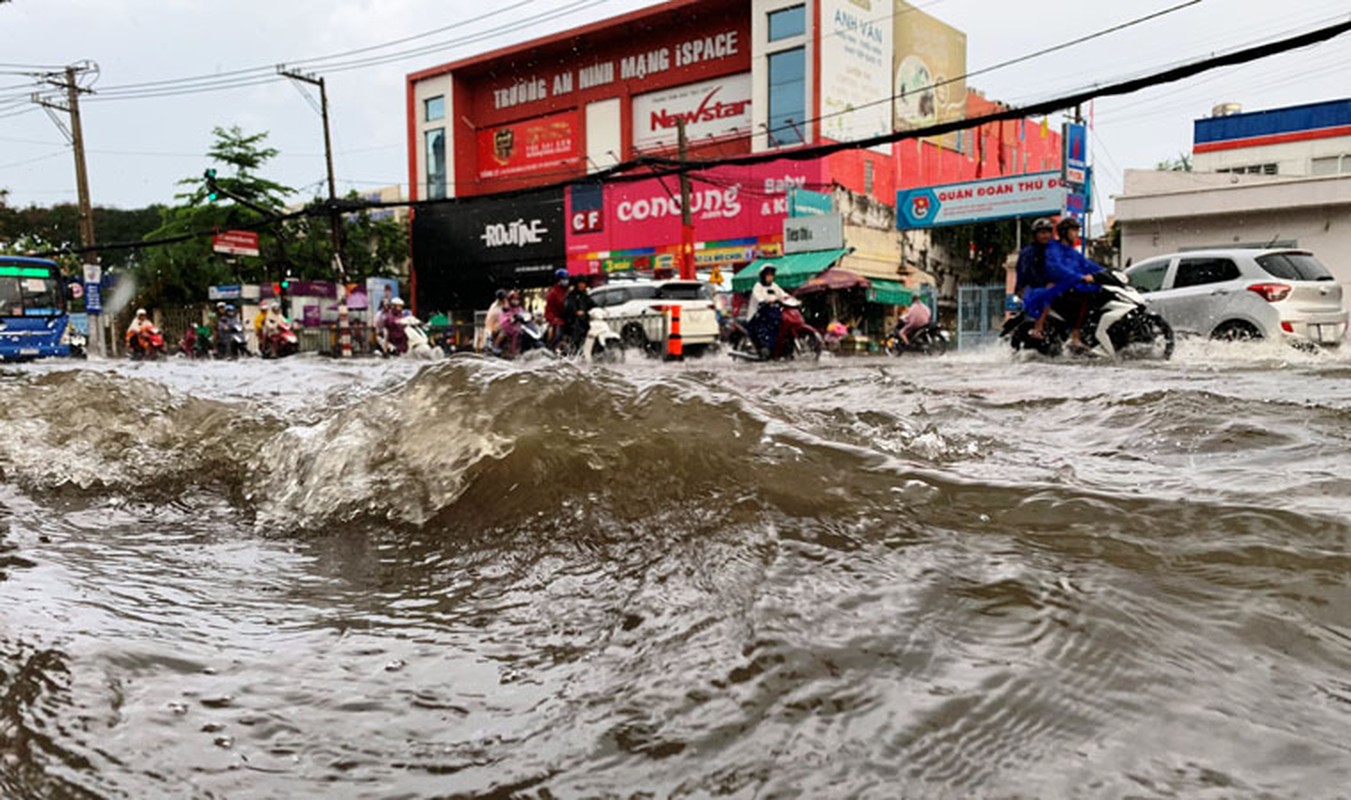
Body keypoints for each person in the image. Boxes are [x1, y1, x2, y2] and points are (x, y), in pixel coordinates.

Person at [746, 264, 791, 357]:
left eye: (771, 275)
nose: (770, 277)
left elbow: (783, 295)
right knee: (765, 329)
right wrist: (765, 301)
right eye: (768, 275)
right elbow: (758, 297)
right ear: (763, 276)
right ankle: (765, 348)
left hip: (773, 312)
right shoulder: (758, 286)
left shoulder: (775, 286)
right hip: (758, 314)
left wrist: (792, 300)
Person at [562, 276, 595, 353]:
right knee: (577, 335)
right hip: (574, 322)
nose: (582, 285)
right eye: (580, 283)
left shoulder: (585, 296)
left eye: (583, 283)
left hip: (585, 321)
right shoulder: (571, 296)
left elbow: (592, 304)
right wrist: (576, 312)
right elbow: (569, 307)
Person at [543, 268, 570, 347]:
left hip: (570, 319)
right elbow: (548, 310)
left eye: (566, 279)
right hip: (558, 320)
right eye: (563, 279)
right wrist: (554, 319)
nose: (565, 281)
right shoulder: (553, 293)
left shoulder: (570, 291)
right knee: (558, 333)